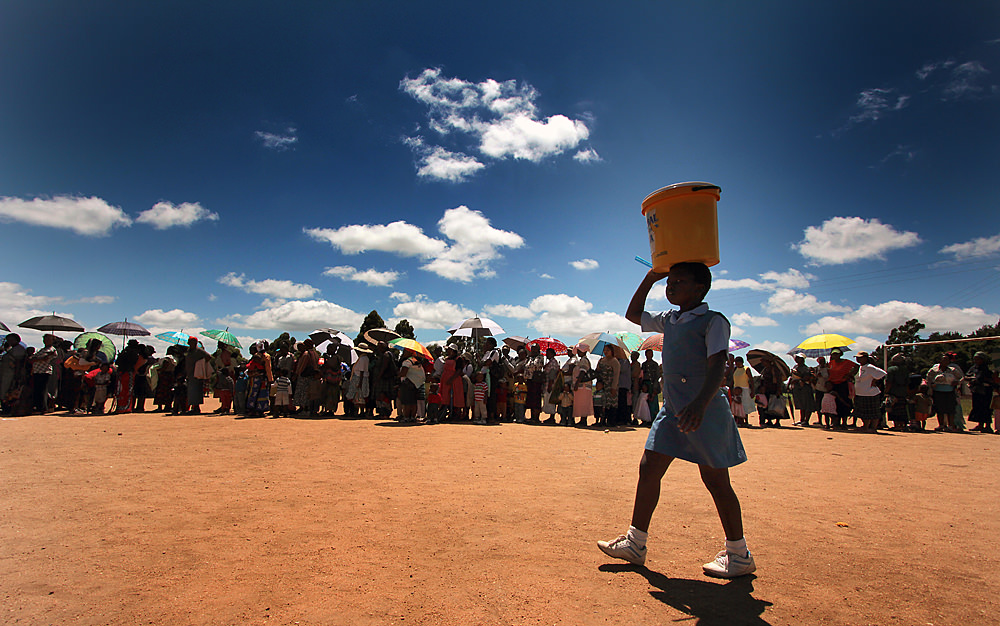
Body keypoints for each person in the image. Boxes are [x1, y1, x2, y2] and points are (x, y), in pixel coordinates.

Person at [598, 263, 753, 578]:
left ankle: (739, 554)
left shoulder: (713, 321)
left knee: (715, 480)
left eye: (679, 281)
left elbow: (717, 365)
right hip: (673, 409)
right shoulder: (670, 320)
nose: (671, 286)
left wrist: (700, 403)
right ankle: (635, 542)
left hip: (703, 409)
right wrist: (650, 278)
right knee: (649, 467)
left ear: (699, 289)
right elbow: (633, 314)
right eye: (670, 281)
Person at [853, 351, 886, 432]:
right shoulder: (860, 368)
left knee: (872, 412)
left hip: (870, 393)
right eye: (857, 358)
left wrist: (875, 380)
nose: (858, 359)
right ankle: (866, 426)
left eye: (860, 358)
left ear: (865, 358)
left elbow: (883, 373)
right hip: (861, 393)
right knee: (864, 412)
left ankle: (872, 428)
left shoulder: (870, 367)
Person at [927, 353, 961, 432]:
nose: (945, 361)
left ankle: (951, 425)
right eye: (943, 360)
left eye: (947, 360)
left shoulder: (953, 370)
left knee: (950, 409)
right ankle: (941, 425)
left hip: (950, 391)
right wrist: (931, 385)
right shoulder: (934, 370)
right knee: (940, 409)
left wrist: (957, 383)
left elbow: (961, 378)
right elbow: (928, 379)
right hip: (938, 391)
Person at [827, 348, 857, 430]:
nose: (835, 355)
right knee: (834, 404)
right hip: (833, 385)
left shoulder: (846, 362)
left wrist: (850, 375)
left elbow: (856, 366)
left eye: (837, 354)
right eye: (833, 354)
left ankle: (844, 422)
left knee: (844, 402)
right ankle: (836, 422)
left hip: (843, 384)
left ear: (840, 354)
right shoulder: (831, 363)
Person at [966, 352, 996, 433]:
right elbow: (967, 376)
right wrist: (972, 379)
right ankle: (980, 425)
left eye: (978, 359)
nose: (976, 361)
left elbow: (990, 379)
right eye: (975, 359)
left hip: (985, 391)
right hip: (976, 390)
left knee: (986, 408)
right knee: (978, 407)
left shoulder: (987, 369)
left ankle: (988, 426)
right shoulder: (974, 368)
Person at [884, 354, 912, 431]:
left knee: (894, 409)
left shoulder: (891, 369)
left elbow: (889, 382)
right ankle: (902, 425)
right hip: (903, 392)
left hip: (894, 392)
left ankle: (896, 425)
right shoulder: (905, 370)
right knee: (902, 409)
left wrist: (886, 391)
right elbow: (907, 383)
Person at [595, 344, 620, 426]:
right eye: (605, 350)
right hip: (602, 385)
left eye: (608, 350)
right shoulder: (602, 360)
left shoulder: (615, 361)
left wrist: (614, 387)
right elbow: (597, 372)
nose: (606, 352)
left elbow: (616, 375)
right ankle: (601, 421)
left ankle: (611, 421)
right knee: (602, 403)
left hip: (611, 384)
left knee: (611, 403)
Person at [788, 353, 816, 426]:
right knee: (801, 404)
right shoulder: (796, 367)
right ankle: (802, 420)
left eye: (798, 358)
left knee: (807, 404)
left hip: (805, 388)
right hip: (797, 388)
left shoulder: (805, 368)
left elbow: (806, 377)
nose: (796, 359)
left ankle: (806, 421)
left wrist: (799, 378)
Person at [571, 344, 594, 426]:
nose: (577, 352)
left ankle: (583, 420)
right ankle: (582, 419)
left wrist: (577, 383)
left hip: (583, 385)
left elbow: (582, 372)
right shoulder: (582, 360)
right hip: (583, 386)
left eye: (579, 351)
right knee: (582, 402)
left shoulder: (584, 360)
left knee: (583, 402)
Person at [730, 356, 753, 427]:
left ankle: (746, 421)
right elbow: (732, 379)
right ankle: (738, 421)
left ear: (741, 362)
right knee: (737, 405)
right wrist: (731, 389)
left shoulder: (746, 369)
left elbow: (751, 380)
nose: (736, 363)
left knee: (745, 406)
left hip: (745, 389)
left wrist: (753, 391)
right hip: (736, 389)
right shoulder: (735, 369)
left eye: (737, 362)